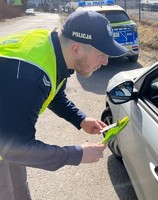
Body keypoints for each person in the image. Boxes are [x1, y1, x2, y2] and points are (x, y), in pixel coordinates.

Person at [0, 10, 128, 200]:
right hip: (8, 140)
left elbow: (54, 94)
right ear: (76, 49)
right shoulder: (31, 76)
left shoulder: (55, 49)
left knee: (19, 188)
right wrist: (76, 154)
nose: (106, 61)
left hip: (8, 130)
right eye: (101, 54)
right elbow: (15, 148)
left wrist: (81, 119)